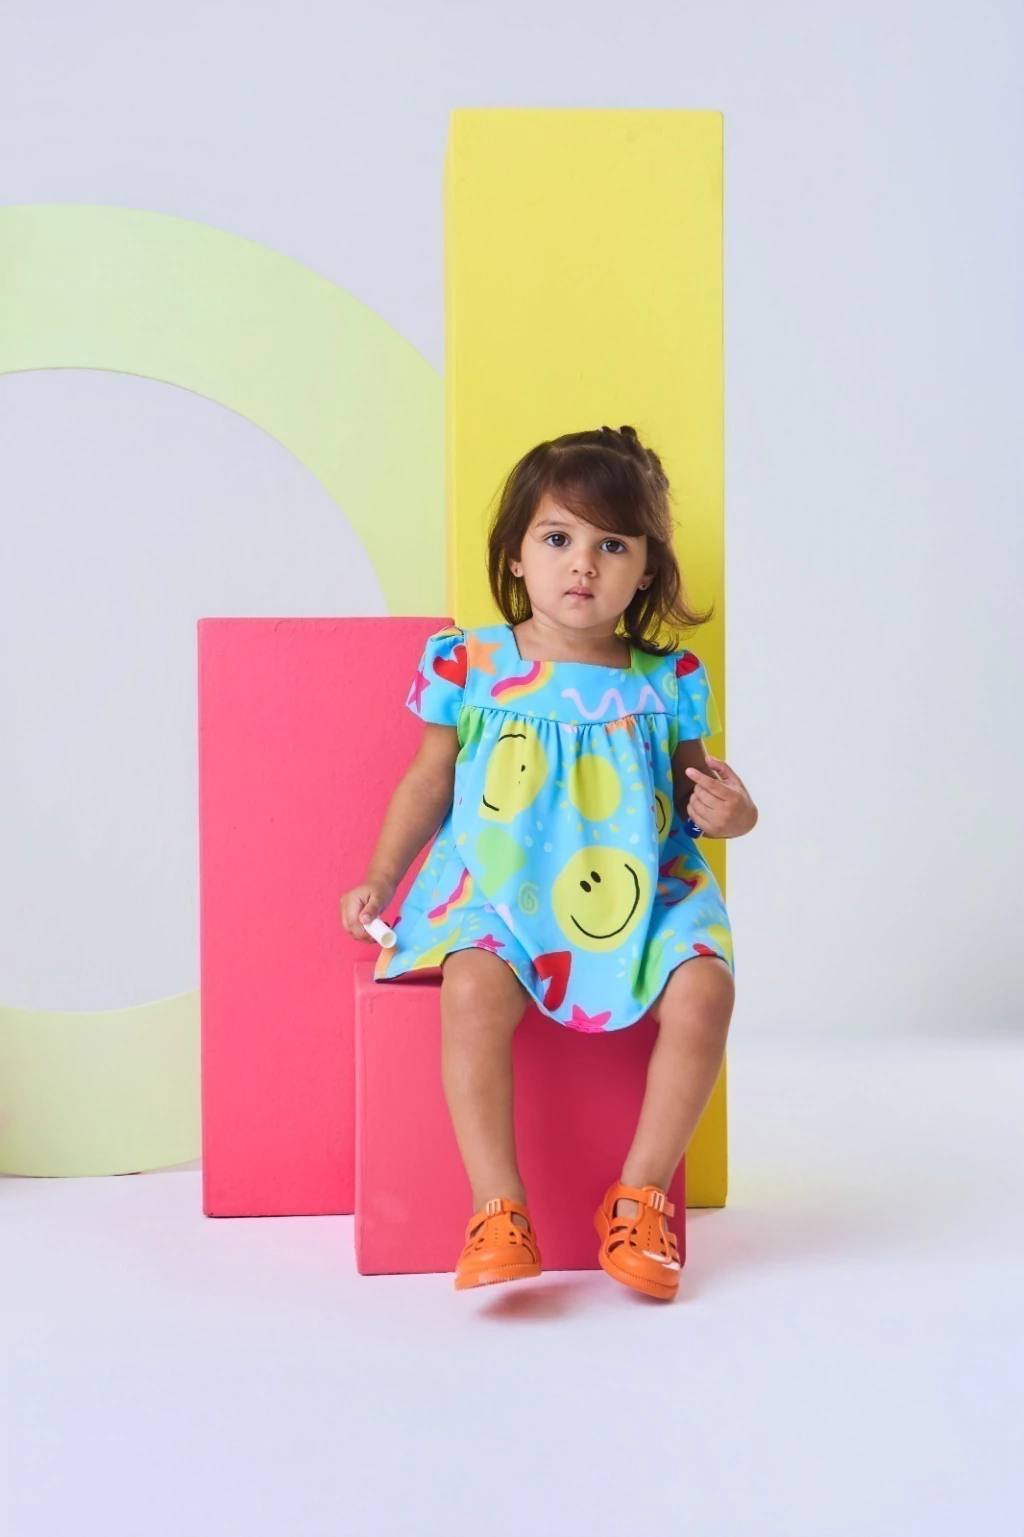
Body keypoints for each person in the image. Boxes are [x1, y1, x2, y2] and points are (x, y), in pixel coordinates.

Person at [340, 424, 758, 1301]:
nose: (583, 564)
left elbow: (698, 792)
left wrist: (734, 812)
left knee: (707, 990)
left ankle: (641, 1196)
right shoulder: (473, 661)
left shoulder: (666, 677)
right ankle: (498, 1206)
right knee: (471, 988)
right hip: (500, 882)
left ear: (646, 569)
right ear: (517, 554)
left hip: (641, 885)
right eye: (559, 537)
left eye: (613, 545)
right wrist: (382, 871)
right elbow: (430, 777)